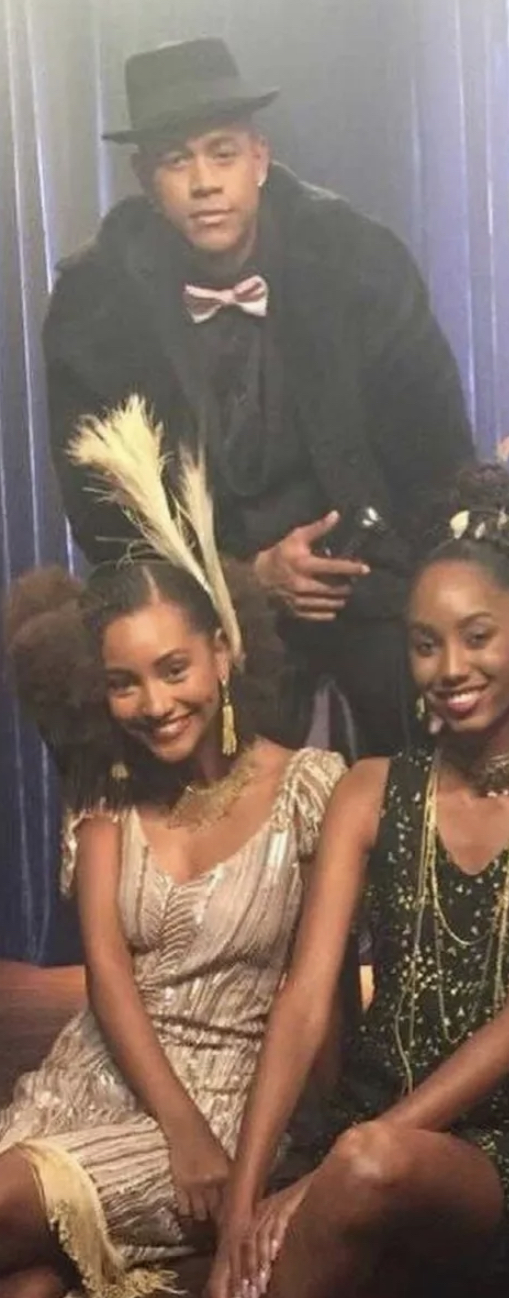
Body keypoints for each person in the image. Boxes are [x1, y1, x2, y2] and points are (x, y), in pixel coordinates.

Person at [205, 463, 509, 1298]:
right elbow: (303, 999)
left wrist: (328, 1174)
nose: (450, 666)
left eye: (477, 636)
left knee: (366, 1168)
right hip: (369, 1119)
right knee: (268, 1244)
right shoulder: (368, 789)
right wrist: (240, 1204)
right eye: (425, 643)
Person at [0, 398, 346, 1298]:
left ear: (223, 652)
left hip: (225, 1113)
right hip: (85, 1084)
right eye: (124, 682)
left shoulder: (311, 787)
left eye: (174, 668)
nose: (153, 704)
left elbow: (317, 996)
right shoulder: (105, 794)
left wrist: (223, 1143)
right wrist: (173, 1120)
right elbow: (109, 977)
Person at [45, 35, 475, 755]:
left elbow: (437, 454)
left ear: (260, 158)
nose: (204, 183)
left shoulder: (356, 259)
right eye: (177, 160)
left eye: (222, 153)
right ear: (145, 178)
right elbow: (104, 518)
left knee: (418, 705)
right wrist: (245, 576)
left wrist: (405, 579)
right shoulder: (95, 304)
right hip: (207, 604)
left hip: (374, 582)